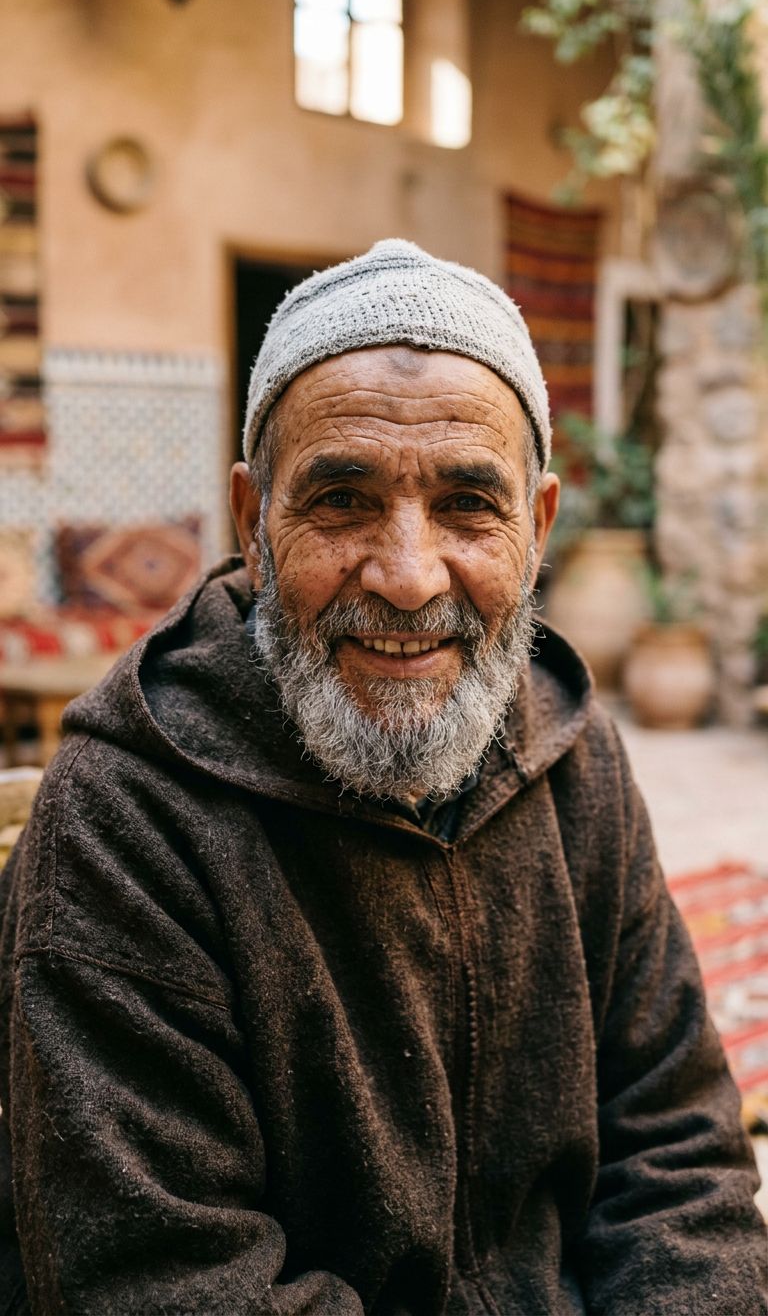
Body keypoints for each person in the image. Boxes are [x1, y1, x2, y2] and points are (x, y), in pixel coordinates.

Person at [0, 239, 764, 1316]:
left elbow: (682, 1154)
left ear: (537, 527)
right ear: (254, 526)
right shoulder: (126, 818)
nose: (407, 576)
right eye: (343, 500)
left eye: (467, 505)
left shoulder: (576, 756)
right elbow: (164, 1281)